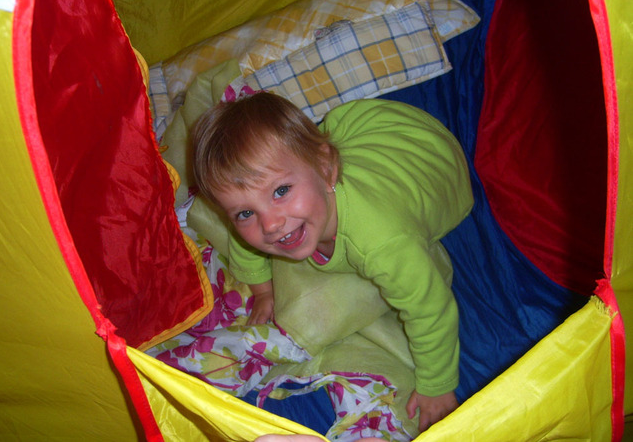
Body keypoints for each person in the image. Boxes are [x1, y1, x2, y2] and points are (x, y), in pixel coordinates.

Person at [192, 92, 473, 432]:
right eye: (246, 212)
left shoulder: (382, 240)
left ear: (327, 170)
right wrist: (263, 290)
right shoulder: (276, 217)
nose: (270, 224)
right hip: (363, 137)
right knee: (303, 153)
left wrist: (437, 386)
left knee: (321, 144)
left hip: (423, 147)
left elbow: (431, 308)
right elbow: (243, 243)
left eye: (281, 191)